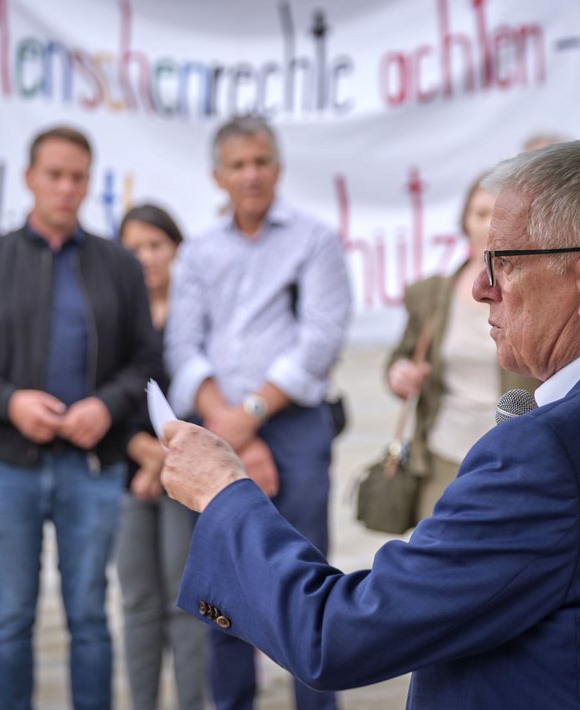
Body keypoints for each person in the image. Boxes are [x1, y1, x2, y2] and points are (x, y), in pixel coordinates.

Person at [160, 138, 580, 708]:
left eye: (504, 263)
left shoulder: (551, 454)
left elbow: (336, 636)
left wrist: (223, 494)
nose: (481, 289)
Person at [0, 125, 160, 710]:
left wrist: (105, 406)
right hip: (6, 466)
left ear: (90, 183)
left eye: (77, 177)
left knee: (89, 612)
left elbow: (146, 361)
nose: (65, 188)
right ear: (30, 178)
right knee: (12, 615)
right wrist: (11, 401)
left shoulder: (118, 266)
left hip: (91, 466)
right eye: (54, 175)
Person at [164, 114, 352, 710]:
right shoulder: (197, 251)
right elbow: (182, 345)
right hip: (215, 423)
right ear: (217, 175)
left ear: (279, 167)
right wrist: (225, 421)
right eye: (239, 164)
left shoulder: (314, 239)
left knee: (304, 577)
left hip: (292, 424)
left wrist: (248, 415)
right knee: (224, 576)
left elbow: (320, 339)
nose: (251, 175)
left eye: (261, 161)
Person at [113, 204, 208, 710]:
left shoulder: (195, 313)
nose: (147, 258)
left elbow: (205, 397)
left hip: (186, 474)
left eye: (157, 245)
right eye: (134, 248)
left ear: (176, 249)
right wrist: (145, 457)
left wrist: (163, 462)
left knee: (185, 598)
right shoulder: (114, 311)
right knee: (137, 602)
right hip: (130, 474)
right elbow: (106, 394)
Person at [384, 176, 498, 520]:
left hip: (511, 457)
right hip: (443, 453)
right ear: (465, 221)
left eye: (499, 214)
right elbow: (399, 357)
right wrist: (399, 375)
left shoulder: (538, 293)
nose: (489, 225)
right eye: (480, 214)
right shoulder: (433, 294)